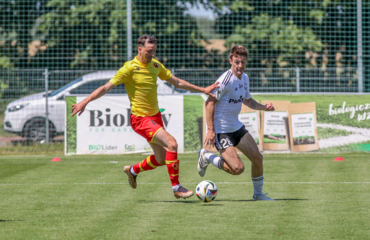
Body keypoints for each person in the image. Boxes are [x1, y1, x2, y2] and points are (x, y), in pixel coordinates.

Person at [71, 34, 219, 199]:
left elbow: (177, 82)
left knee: (161, 159)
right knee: (172, 143)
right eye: (149, 51)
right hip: (140, 119)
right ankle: (177, 188)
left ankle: (132, 170)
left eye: (154, 50)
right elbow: (105, 87)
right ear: (139, 49)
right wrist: (85, 101)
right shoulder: (129, 68)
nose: (152, 54)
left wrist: (203, 90)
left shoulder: (155, 66)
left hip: (155, 117)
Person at [198, 45, 275, 201]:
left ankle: (258, 195)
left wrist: (263, 107)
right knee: (237, 169)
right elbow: (209, 103)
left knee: (257, 158)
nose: (240, 66)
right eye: (237, 62)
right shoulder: (225, 80)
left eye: (243, 62)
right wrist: (210, 130)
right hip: (221, 130)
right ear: (230, 61)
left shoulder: (245, 78)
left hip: (236, 127)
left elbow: (247, 100)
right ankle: (207, 156)